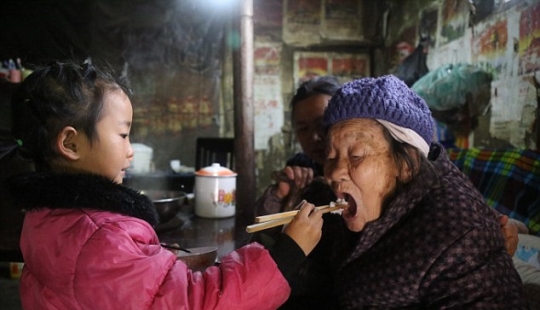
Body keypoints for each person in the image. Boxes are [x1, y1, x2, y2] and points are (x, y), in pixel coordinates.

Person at [4, 59, 324, 310]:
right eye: (123, 134)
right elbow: (197, 302)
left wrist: (153, 258)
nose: (130, 149)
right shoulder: (100, 238)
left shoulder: (45, 216)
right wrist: (286, 255)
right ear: (71, 144)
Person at [300, 75, 528, 308]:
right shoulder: (342, 202)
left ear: (406, 165)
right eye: (330, 157)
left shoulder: (458, 238)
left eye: (356, 155)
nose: (335, 172)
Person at [254, 75, 520, 256]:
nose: (316, 136)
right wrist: (280, 196)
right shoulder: (302, 173)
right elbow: (264, 229)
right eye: (303, 128)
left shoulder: (401, 168)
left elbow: (459, 212)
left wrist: (508, 228)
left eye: (323, 122)